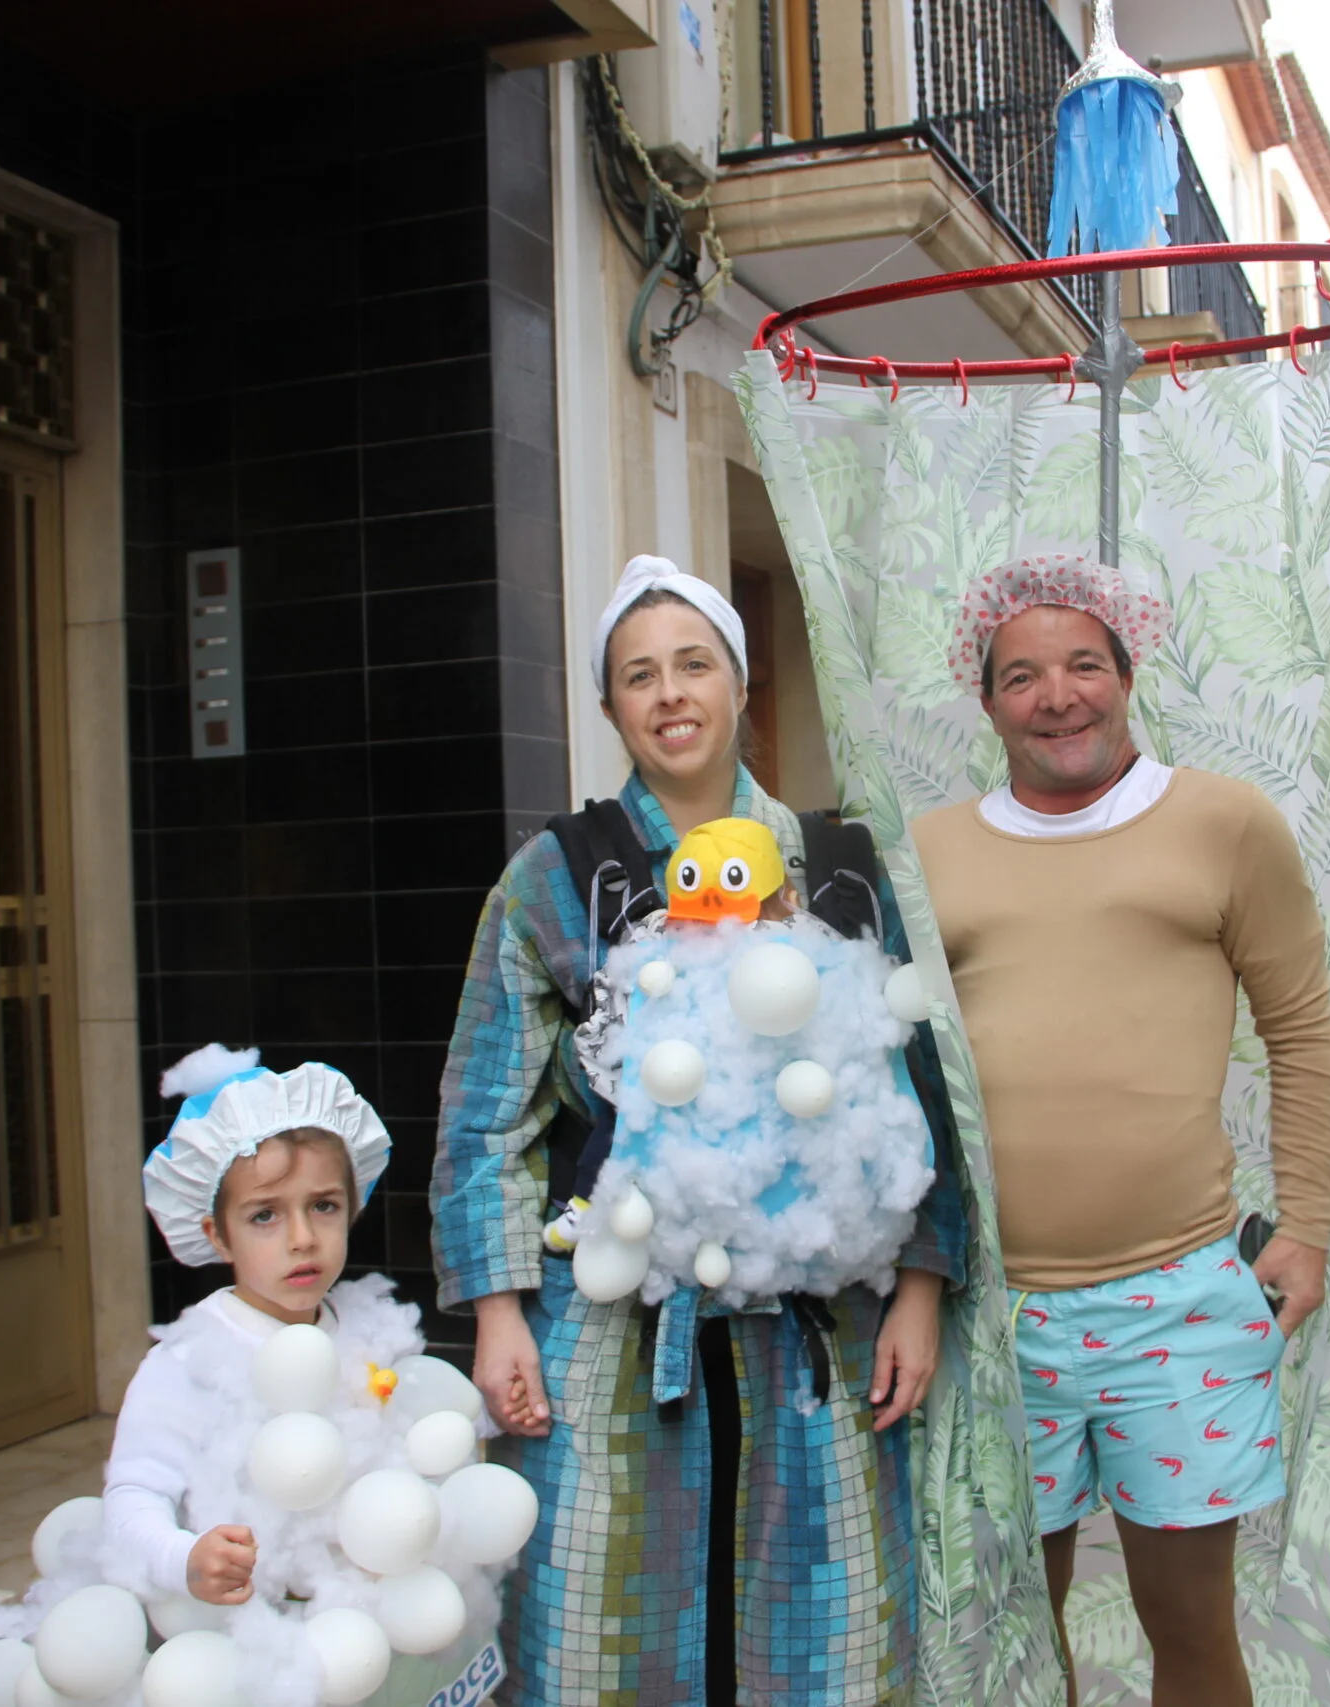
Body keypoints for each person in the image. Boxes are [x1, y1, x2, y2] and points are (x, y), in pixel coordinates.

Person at [433, 554, 966, 1706]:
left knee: (820, 1634)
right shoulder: (551, 881)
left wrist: (919, 1288)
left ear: (738, 681)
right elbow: (486, 1116)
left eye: (693, 665)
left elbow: (919, 1093)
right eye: (637, 675)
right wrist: (496, 1315)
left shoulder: (840, 867)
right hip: (610, 1314)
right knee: (594, 1619)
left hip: (817, 1332)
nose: (669, 694)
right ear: (611, 706)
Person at [910, 554, 1330, 1707]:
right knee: (1015, 1632)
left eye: (1083, 665)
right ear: (987, 699)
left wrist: (1303, 1223)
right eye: (1022, 676)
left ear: (1128, 672)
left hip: (1184, 1298)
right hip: (993, 1313)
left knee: (1191, 1630)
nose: (1058, 696)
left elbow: (1301, 1031)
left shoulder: (1223, 825)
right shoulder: (930, 853)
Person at [101, 1046, 400, 1605]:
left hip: (358, 1620)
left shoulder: (365, 1330)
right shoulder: (192, 1361)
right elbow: (133, 1495)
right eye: (265, 1215)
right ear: (216, 1235)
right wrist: (183, 1558)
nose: (302, 1237)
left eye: (324, 1206)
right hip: (249, 1634)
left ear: (354, 1204)